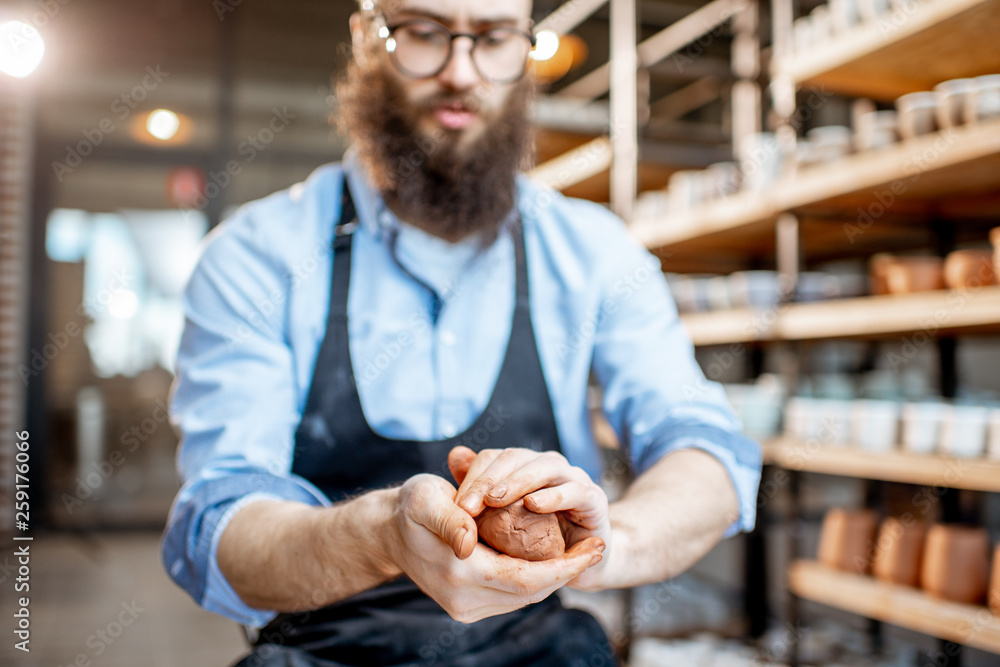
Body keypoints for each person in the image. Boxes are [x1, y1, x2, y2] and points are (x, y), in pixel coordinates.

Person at [161, 0, 763, 665]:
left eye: (495, 37)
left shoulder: (593, 254)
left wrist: (601, 542)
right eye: (424, 32)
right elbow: (220, 524)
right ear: (367, 39)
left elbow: (706, 449)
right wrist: (381, 536)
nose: (461, 70)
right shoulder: (259, 256)